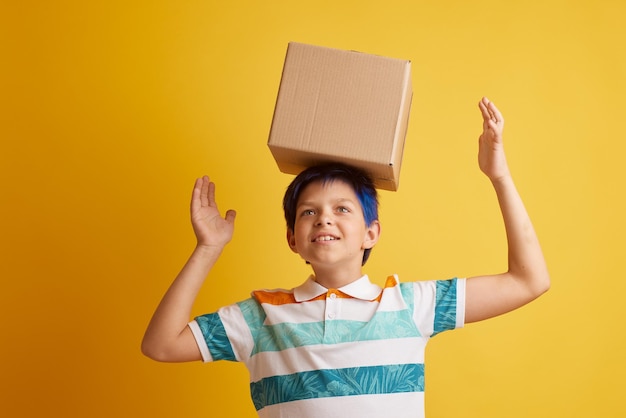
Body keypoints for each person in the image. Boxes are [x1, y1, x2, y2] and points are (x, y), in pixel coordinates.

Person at [142, 97, 550, 417]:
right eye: (309, 212)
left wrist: (499, 175)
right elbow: (160, 345)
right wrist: (208, 248)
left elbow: (529, 281)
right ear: (292, 239)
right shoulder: (260, 317)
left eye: (342, 209)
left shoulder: (411, 306)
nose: (324, 219)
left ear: (370, 233)